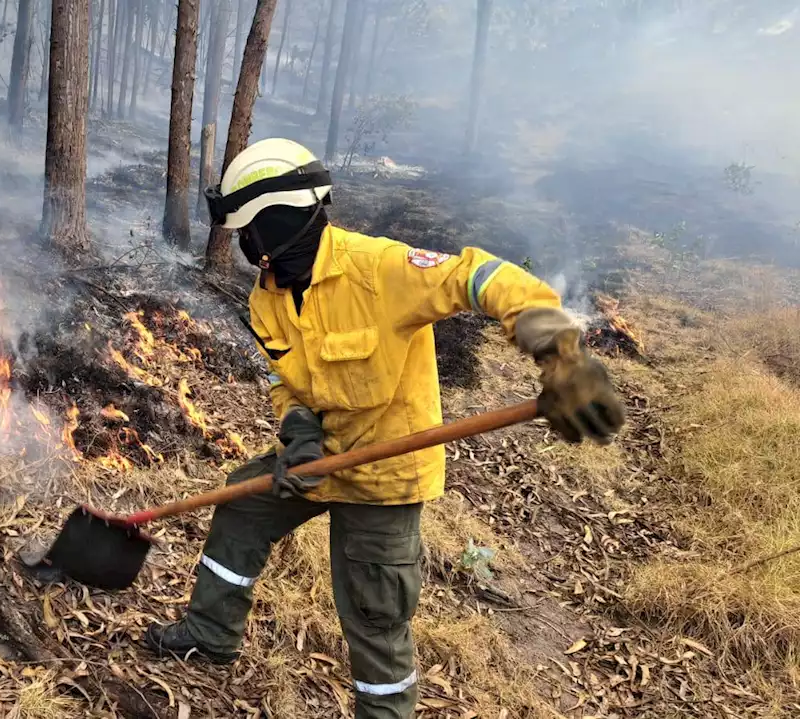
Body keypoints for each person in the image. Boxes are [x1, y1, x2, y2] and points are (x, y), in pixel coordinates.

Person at [144, 138, 624, 718]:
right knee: (242, 511)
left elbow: (482, 277)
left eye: (248, 233)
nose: (246, 248)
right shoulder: (267, 299)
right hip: (320, 457)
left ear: (276, 223)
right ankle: (210, 633)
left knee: (374, 614)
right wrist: (297, 432)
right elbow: (286, 380)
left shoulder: (381, 269)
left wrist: (559, 352)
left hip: (386, 475)